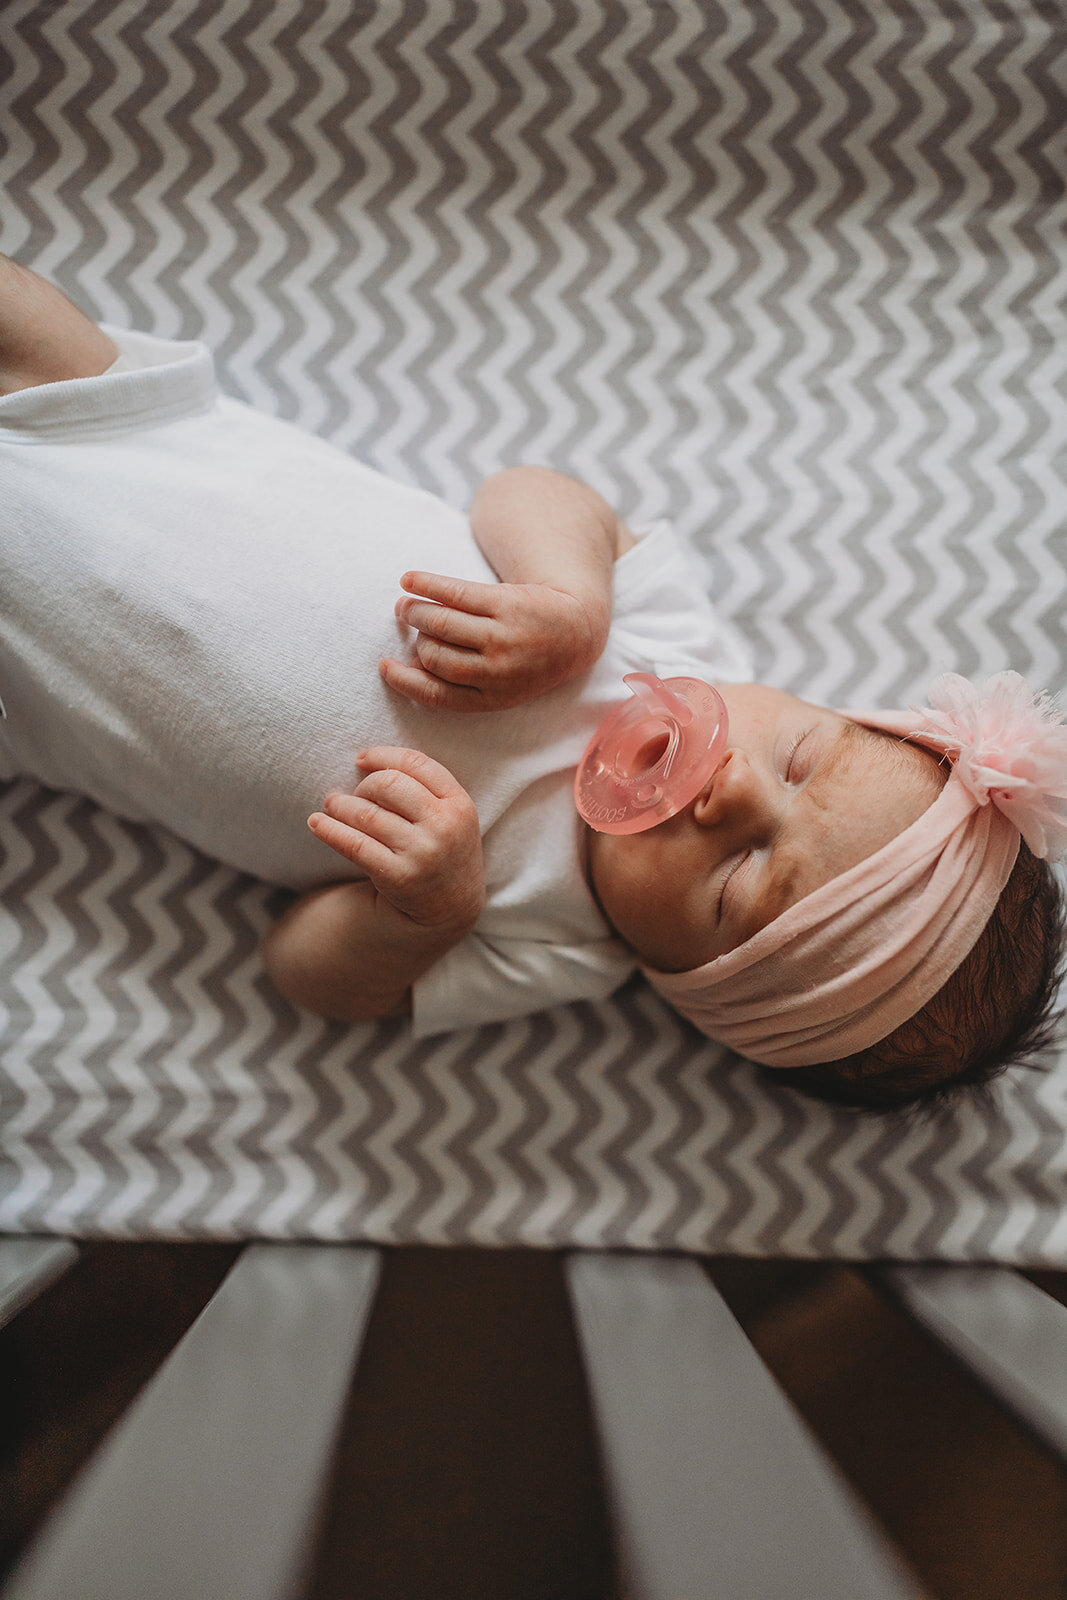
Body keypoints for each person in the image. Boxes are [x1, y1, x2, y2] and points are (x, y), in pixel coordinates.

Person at [0, 256, 1063, 1112]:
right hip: (127, 430)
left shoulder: (555, 944)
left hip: (35, 688)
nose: (734, 786)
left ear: (688, 983)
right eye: (799, 756)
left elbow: (306, 978)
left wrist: (422, 915)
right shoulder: (672, 639)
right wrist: (570, 602)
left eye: (739, 883)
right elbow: (535, 491)